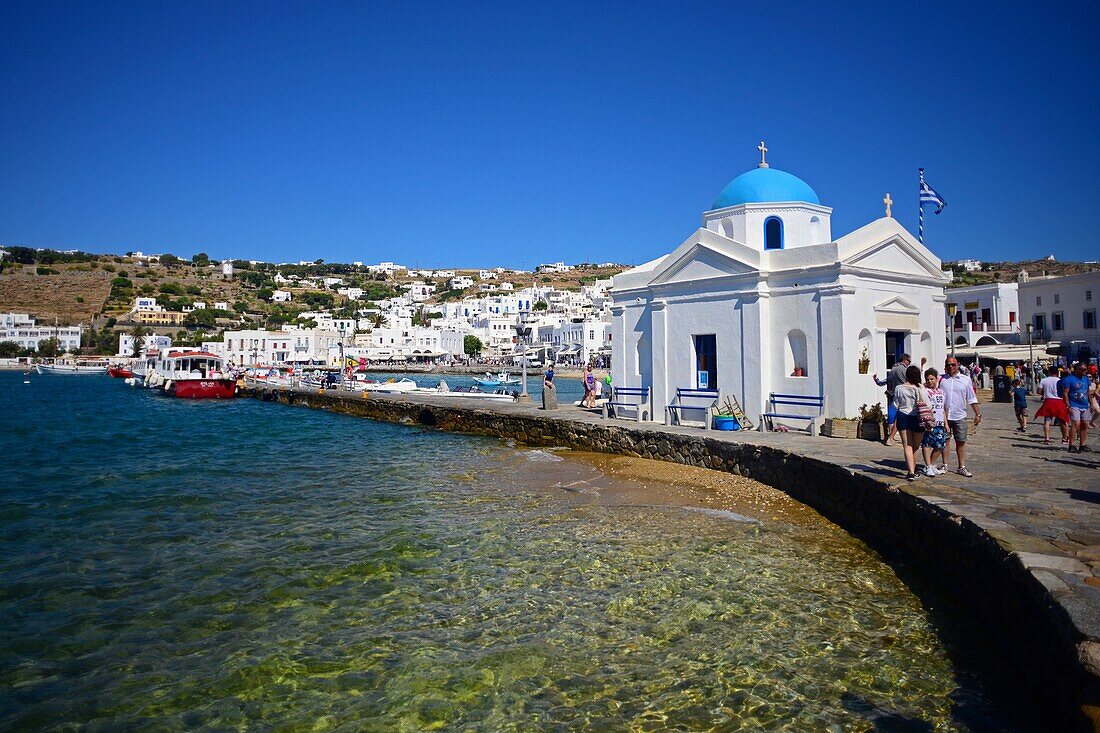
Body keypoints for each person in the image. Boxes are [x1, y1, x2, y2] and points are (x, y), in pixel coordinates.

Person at [940, 357, 982, 477]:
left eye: (953, 365)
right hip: (945, 416)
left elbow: (972, 398)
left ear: (958, 365)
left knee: (961, 442)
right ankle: (944, 465)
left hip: (959, 415)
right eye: (948, 365)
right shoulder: (941, 379)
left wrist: (977, 414)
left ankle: (961, 466)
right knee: (945, 441)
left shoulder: (965, 380)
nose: (951, 367)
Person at [893, 365, 928, 480]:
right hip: (918, 417)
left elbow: (895, 404)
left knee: (907, 445)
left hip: (903, 416)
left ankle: (911, 472)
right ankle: (914, 468)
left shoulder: (899, 388)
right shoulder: (921, 388)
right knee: (916, 446)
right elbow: (928, 404)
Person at [872, 354, 912, 446]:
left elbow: (882, 382)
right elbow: (911, 382)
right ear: (905, 360)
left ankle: (891, 437)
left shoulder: (892, 370)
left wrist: (876, 379)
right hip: (903, 396)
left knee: (891, 417)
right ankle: (894, 437)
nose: (909, 363)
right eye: (909, 361)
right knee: (902, 416)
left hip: (891, 396)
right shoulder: (905, 370)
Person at [920, 368, 948, 476]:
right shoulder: (925, 391)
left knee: (940, 445)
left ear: (936, 379)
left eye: (932, 379)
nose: (930, 381)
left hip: (940, 422)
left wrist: (946, 423)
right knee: (926, 443)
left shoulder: (941, 392)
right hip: (929, 422)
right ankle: (928, 465)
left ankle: (931, 464)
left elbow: (943, 409)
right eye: (928, 379)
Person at [1035, 365, 1069, 446]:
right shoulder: (1060, 381)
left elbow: (1039, 391)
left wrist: (1044, 393)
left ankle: (1047, 438)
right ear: (1057, 372)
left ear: (1049, 372)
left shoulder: (1044, 380)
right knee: (1063, 421)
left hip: (1048, 400)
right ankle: (1064, 438)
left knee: (1047, 420)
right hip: (1059, 401)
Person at [1063, 362, 1092, 453]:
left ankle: (1082, 444)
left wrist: (1091, 404)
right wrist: (1068, 406)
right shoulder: (1069, 379)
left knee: (1085, 425)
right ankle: (1071, 445)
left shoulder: (1086, 379)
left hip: (1085, 404)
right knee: (1076, 423)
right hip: (1074, 404)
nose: (1085, 371)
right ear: (1077, 370)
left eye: (1085, 369)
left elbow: (1088, 392)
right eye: (1083, 369)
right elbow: (1065, 393)